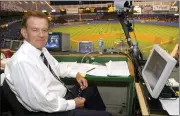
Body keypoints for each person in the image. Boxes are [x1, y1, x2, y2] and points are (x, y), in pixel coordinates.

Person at [4, 11, 112, 116]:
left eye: (44, 30)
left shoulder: (41, 50)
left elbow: (57, 67)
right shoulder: (23, 62)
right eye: (35, 30)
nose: (41, 35)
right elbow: (42, 102)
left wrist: (76, 74)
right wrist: (73, 103)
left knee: (91, 86)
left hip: (61, 98)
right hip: (49, 110)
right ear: (24, 32)